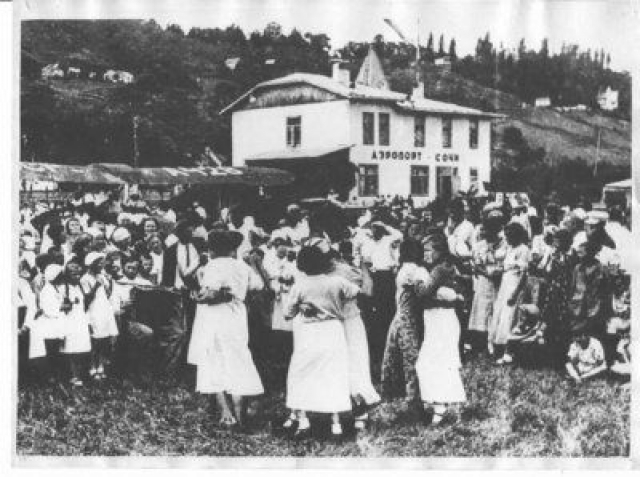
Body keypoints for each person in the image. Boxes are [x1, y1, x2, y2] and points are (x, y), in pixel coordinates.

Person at [187, 230, 264, 428]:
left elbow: (211, 294)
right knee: (237, 357)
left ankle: (226, 412)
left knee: (214, 359)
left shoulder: (214, 265)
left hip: (216, 316)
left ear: (212, 249)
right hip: (237, 316)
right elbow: (258, 285)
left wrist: (199, 297)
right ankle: (239, 410)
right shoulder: (241, 265)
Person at [283, 246, 359, 439]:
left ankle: (303, 420)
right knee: (333, 374)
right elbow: (356, 292)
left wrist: (301, 305)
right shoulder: (336, 281)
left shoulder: (299, 286)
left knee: (300, 374)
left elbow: (287, 314)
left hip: (310, 332)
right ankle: (336, 423)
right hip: (333, 330)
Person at [414, 233, 466, 425]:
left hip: (441, 319)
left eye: (428, 250)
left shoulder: (439, 269)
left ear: (439, 251)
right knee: (433, 363)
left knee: (433, 363)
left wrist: (418, 280)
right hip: (437, 318)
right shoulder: (441, 268)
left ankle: (440, 408)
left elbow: (422, 292)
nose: (425, 254)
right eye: (424, 251)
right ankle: (439, 405)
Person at [329, 249, 380, 430]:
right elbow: (367, 290)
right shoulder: (322, 273)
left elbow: (367, 290)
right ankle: (342, 409)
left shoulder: (344, 270)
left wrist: (363, 269)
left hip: (348, 321)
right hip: (334, 323)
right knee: (341, 365)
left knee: (354, 363)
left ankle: (357, 407)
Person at [381, 238, 427, 404]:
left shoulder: (403, 268)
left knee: (393, 354)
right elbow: (424, 289)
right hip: (410, 316)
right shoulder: (415, 270)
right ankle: (413, 394)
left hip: (400, 314)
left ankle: (391, 391)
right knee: (411, 356)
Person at [39, 259, 91, 386]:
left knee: (81, 348)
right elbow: (58, 305)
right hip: (69, 320)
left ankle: (80, 373)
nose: (77, 276)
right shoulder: (61, 288)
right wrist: (67, 305)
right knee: (70, 349)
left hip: (80, 319)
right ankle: (72, 375)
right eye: (73, 274)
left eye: (79, 274)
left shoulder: (80, 286)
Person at [360, 221, 403, 374]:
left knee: (388, 309)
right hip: (375, 276)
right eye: (373, 229)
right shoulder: (368, 243)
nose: (375, 232)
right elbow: (366, 260)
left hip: (387, 276)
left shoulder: (388, 240)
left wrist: (386, 227)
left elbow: (399, 235)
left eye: (378, 229)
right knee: (377, 312)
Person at [488, 222, 530, 361]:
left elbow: (523, 274)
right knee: (500, 314)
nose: (507, 239)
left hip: (514, 285)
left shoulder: (523, 250)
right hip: (505, 284)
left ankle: (509, 350)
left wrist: (515, 293)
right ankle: (498, 347)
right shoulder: (510, 248)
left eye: (509, 236)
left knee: (510, 316)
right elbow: (505, 266)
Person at [467, 211, 505, 352]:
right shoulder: (479, 246)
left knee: (496, 308)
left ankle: (494, 340)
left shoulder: (504, 244)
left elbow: (504, 264)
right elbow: (476, 265)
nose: (487, 233)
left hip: (498, 282)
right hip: (484, 281)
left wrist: (496, 272)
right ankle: (480, 340)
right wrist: (487, 273)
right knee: (482, 309)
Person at [81, 252, 119, 380]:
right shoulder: (85, 279)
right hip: (93, 310)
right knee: (95, 340)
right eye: (99, 263)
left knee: (104, 339)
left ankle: (101, 365)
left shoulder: (101, 276)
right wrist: (96, 286)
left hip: (104, 309)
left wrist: (109, 282)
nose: (102, 265)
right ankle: (92, 365)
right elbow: (87, 298)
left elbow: (107, 293)